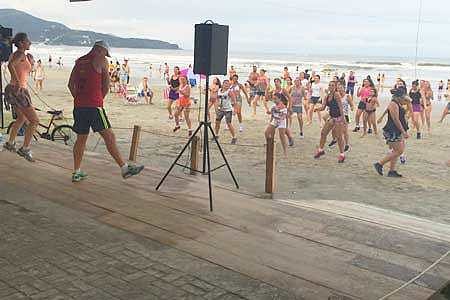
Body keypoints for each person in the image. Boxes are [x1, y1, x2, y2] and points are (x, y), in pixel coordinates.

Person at [68, 40, 144, 182]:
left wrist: (78, 98)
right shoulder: (101, 60)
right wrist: (98, 100)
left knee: (81, 139)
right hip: (94, 106)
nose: (106, 56)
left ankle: (76, 171)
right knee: (109, 136)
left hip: (79, 106)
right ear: (101, 50)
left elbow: (70, 84)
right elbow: (106, 85)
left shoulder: (79, 61)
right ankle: (124, 168)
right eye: (105, 53)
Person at [3, 33, 39, 162]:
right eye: (28, 41)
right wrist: (18, 82)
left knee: (22, 118)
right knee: (34, 121)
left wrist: (31, 62)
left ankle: (10, 143)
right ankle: (25, 148)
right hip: (18, 89)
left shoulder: (21, 55)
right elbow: (10, 65)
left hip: (14, 89)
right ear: (22, 42)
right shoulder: (19, 54)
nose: (30, 43)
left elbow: (20, 68)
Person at [374, 88, 410, 177]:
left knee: (396, 150)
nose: (404, 99)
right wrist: (403, 131)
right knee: (399, 151)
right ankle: (379, 164)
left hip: (397, 130)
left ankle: (392, 171)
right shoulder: (393, 104)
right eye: (402, 97)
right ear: (399, 97)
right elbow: (396, 119)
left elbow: (409, 101)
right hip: (393, 130)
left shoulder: (398, 102)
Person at [314, 81, 347, 163]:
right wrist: (317, 109)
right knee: (323, 133)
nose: (330, 86)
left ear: (335, 87)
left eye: (332, 85)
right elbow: (323, 107)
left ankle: (342, 154)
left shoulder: (336, 94)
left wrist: (343, 119)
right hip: (332, 117)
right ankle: (320, 150)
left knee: (339, 137)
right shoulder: (327, 96)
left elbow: (340, 107)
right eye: (329, 85)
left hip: (338, 118)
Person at [265, 92, 289, 157]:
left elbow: (284, 116)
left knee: (282, 137)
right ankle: (270, 145)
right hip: (275, 120)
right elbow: (272, 115)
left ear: (279, 99)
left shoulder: (283, 106)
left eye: (275, 99)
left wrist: (276, 113)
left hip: (281, 121)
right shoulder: (274, 106)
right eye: (273, 99)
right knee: (267, 133)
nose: (274, 100)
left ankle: (285, 151)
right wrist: (270, 121)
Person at [215, 80, 237, 144]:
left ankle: (234, 137)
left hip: (228, 110)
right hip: (220, 109)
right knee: (217, 122)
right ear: (223, 84)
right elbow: (217, 99)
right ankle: (216, 135)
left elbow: (234, 100)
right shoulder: (219, 90)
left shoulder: (229, 92)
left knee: (229, 123)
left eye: (228, 84)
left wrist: (235, 110)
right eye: (225, 84)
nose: (227, 85)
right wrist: (217, 106)